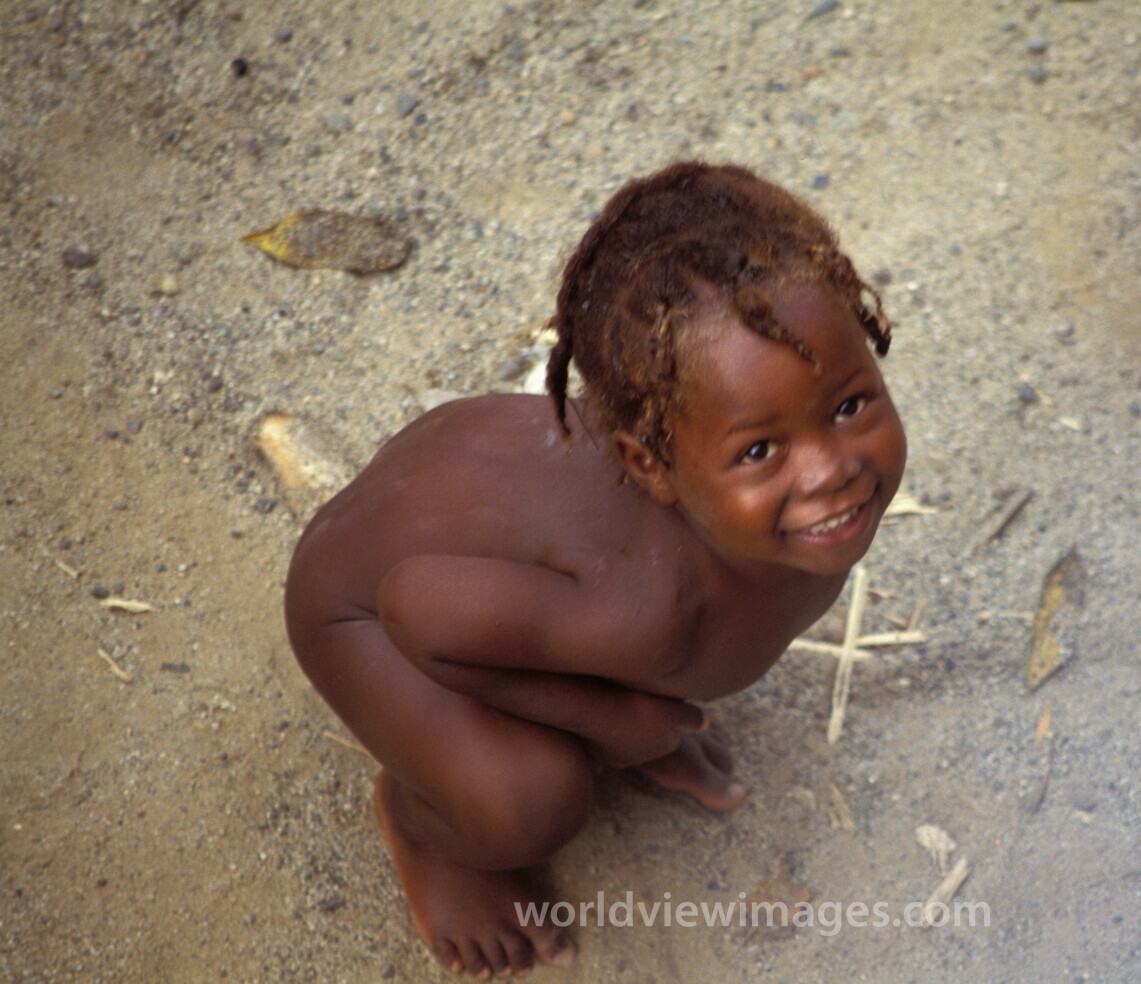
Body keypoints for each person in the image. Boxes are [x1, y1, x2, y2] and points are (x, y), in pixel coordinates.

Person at [284, 161, 907, 978]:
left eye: (850, 405)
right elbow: (413, 607)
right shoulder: (644, 605)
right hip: (361, 617)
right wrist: (618, 725)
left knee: (582, 670)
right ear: (650, 465)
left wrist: (629, 720)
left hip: (497, 566)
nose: (831, 470)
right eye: (760, 451)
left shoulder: (765, 510)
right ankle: (424, 824)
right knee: (531, 801)